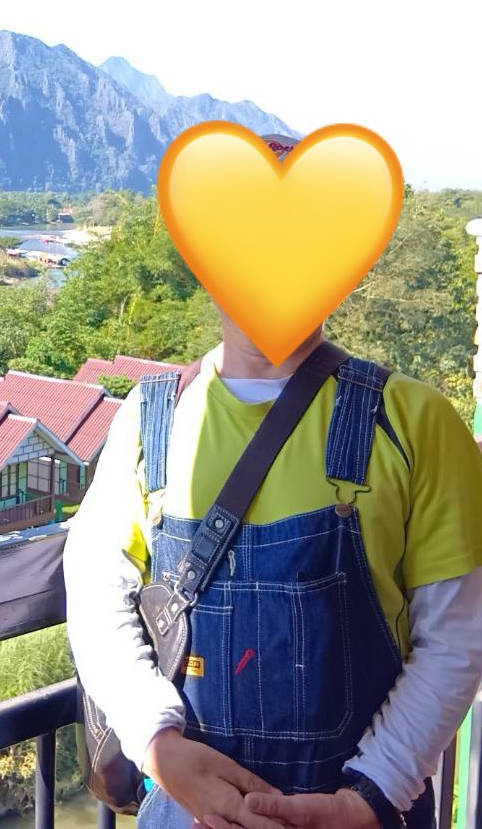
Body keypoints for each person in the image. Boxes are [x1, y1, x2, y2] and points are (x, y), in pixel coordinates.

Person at [63, 140, 482, 829]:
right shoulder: (149, 418)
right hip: (184, 809)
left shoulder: (414, 421)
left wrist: (369, 795)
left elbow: (456, 636)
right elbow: (94, 591)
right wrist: (158, 744)